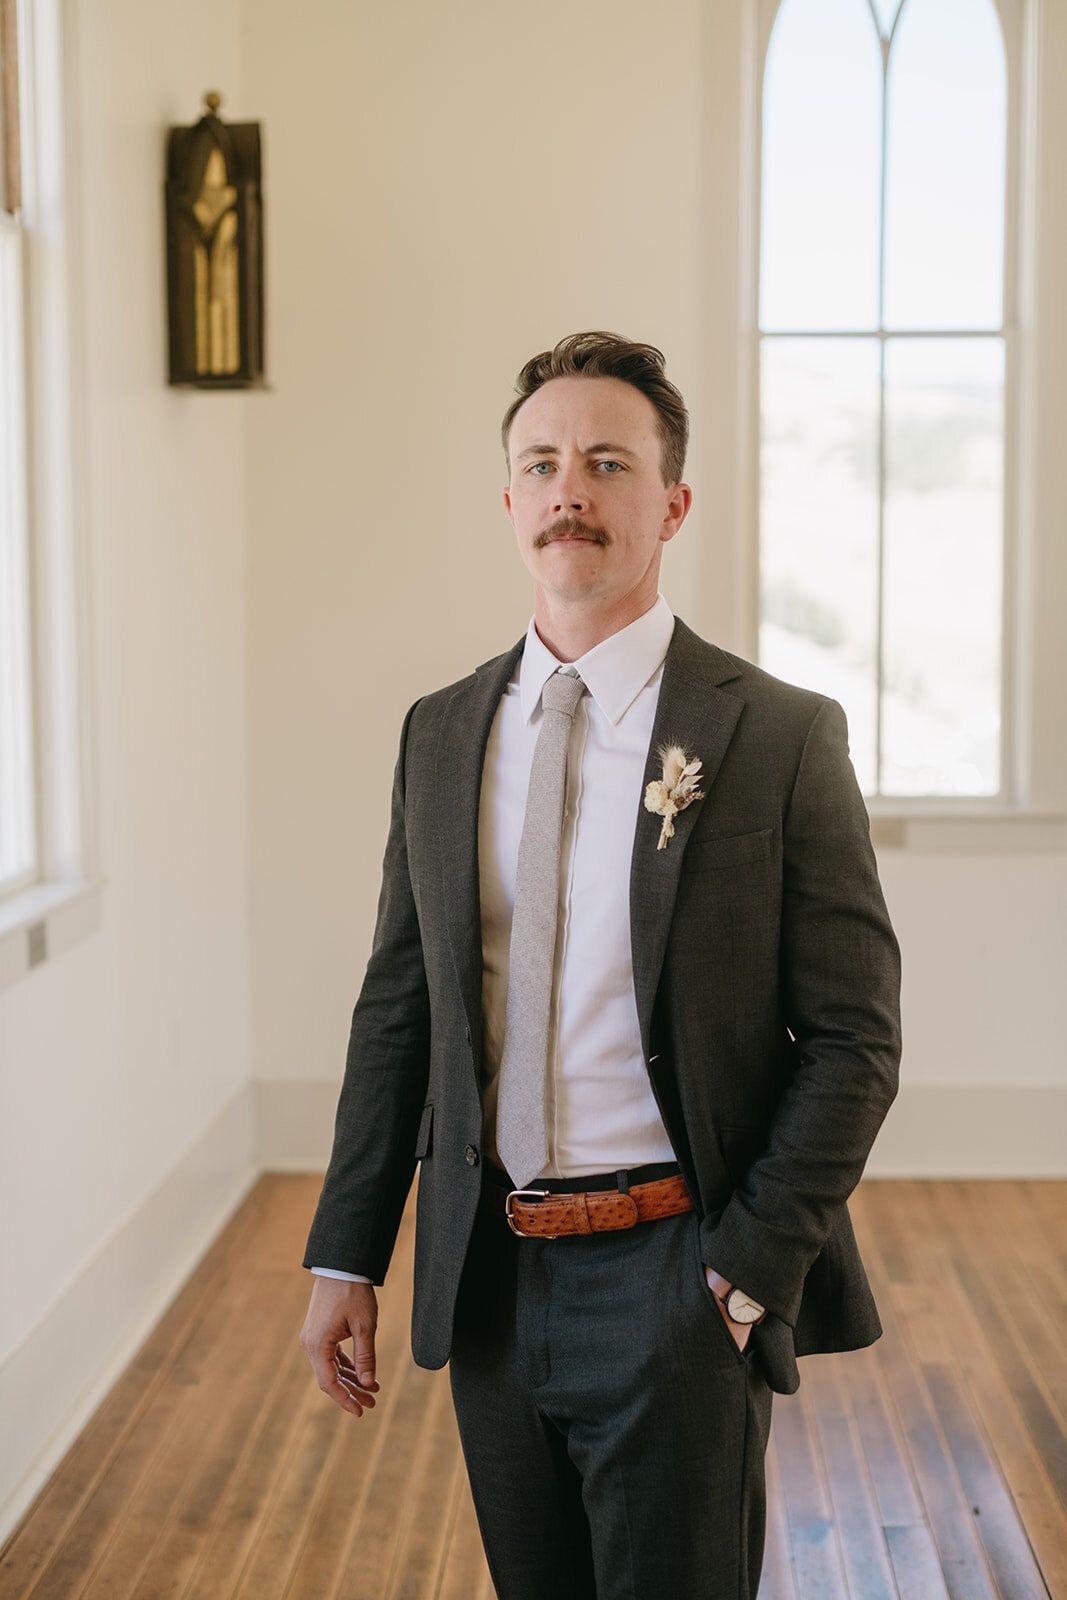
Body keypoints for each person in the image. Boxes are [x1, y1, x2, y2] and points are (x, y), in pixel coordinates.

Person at [299, 330, 903, 1599]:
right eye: (542, 463)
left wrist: (742, 1278)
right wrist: (346, 1255)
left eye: (608, 462)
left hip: (676, 1272)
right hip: (491, 1277)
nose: (569, 488)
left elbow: (854, 1037)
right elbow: (398, 1011)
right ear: (509, 500)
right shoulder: (441, 731)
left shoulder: (778, 736)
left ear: (670, 503)